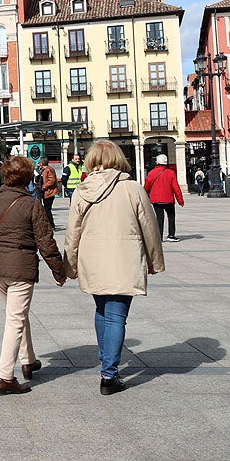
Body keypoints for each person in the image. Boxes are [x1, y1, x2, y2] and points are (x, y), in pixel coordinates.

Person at [64, 139, 165, 395]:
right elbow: (150, 228)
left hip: (93, 258)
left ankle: (105, 361)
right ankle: (109, 375)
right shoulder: (133, 189)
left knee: (101, 310)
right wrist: (154, 261)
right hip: (124, 258)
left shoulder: (81, 190)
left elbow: (72, 232)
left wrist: (70, 265)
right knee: (117, 315)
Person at [0, 157, 66, 395]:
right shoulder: (32, 204)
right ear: (27, 178)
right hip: (20, 268)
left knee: (17, 313)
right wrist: (59, 270)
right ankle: (5, 377)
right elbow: (45, 241)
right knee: (15, 320)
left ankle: (29, 360)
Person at [143, 154, 184, 242]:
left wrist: (144, 195)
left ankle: (159, 237)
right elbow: (176, 187)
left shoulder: (151, 173)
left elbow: (146, 186)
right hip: (168, 199)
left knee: (159, 218)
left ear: (157, 162)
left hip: (156, 200)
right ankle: (171, 235)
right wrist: (180, 200)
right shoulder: (171, 172)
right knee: (171, 216)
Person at [38, 157, 59, 231]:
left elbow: (52, 180)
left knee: (47, 209)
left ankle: (51, 225)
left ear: (41, 163)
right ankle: (49, 224)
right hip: (45, 192)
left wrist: (44, 186)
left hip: (49, 192)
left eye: (39, 163)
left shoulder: (48, 169)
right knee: (46, 209)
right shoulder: (43, 170)